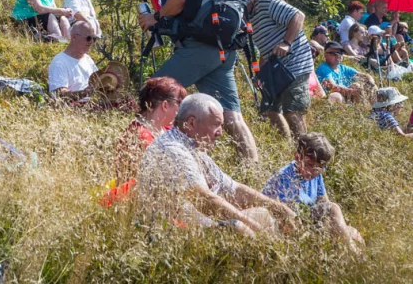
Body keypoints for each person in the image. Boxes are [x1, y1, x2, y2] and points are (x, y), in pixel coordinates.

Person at [138, 0, 258, 160]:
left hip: (199, 47)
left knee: (153, 93)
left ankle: (141, 154)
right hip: (223, 47)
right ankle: (252, 166)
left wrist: (155, 17)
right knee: (232, 116)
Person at [137, 94, 297, 236]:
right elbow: (206, 201)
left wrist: (278, 208)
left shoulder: (193, 147)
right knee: (239, 228)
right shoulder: (173, 150)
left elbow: (232, 188)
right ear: (191, 123)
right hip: (170, 234)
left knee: (263, 213)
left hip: (192, 228)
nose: (221, 132)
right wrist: (254, 228)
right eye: (216, 124)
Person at [263, 133, 364, 254]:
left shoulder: (316, 175)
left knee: (351, 231)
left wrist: (342, 229)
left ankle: (350, 253)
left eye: (320, 167)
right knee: (334, 210)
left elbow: (323, 203)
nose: (313, 171)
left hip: (305, 220)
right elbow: (286, 217)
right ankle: (354, 254)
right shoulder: (284, 178)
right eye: (309, 165)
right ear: (297, 157)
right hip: (283, 226)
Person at [248, 0, 314, 138]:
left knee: (293, 111)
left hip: (295, 62)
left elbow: (298, 16)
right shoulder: (248, 16)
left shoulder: (266, 1)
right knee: (270, 110)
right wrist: (260, 73)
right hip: (275, 67)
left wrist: (286, 42)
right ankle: (288, 146)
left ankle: (305, 151)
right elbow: (265, 48)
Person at [114, 77, 187, 185]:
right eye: (180, 104)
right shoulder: (138, 136)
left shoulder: (166, 129)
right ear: (165, 105)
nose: (182, 111)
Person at [47, 21, 102, 100]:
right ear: (74, 37)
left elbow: (98, 82)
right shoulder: (59, 62)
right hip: (76, 108)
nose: (91, 42)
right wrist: (84, 93)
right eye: (88, 38)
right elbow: (59, 94)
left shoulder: (88, 59)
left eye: (94, 38)